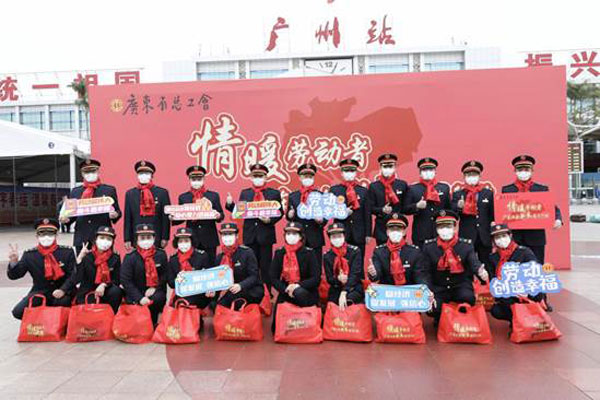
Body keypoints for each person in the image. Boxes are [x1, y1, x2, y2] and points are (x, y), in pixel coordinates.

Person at [421, 210, 489, 325]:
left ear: (454, 228)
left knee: (468, 298)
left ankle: (461, 319)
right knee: (432, 307)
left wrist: (480, 271)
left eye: (448, 227)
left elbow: (474, 263)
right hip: (439, 286)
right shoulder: (429, 247)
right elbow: (425, 271)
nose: (445, 230)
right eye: (441, 227)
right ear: (437, 229)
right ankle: (439, 318)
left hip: (460, 285)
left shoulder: (466, 245)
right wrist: (427, 290)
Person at [225, 163, 283, 291]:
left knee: (266, 266)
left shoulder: (273, 194)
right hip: (250, 235)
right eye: (255, 176)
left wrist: (269, 220)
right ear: (251, 178)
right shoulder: (245, 193)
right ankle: (252, 291)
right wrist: (230, 204)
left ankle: (267, 292)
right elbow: (239, 211)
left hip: (266, 235)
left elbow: (280, 212)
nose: (258, 179)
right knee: (250, 266)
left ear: (265, 177)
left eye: (260, 176)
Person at [7, 218, 75, 320]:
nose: (46, 237)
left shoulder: (67, 252)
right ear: (37, 236)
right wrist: (13, 262)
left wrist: (63, 290)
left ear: (56, 235)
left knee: (62, 303)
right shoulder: (30, 254)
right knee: (18, 312)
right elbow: (15, 275)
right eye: (42, 234)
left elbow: (73, 275)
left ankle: (59, 323)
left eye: (50, 234)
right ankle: (42, 322)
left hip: (63, 291)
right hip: (40, 291)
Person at [501, 155, 563, 264]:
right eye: (520, 170)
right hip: (515, 237)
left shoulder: (541, 189)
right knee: (515, 266)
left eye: (526, 169)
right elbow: (502, 209)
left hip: (536, 237)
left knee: (536, 266)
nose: (523, 172)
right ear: (515, 171)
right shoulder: (507, 190)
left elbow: (553, 208)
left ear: (532, 171)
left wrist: (558, 219)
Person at [488, 223, 545, 325]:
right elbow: (494, 279)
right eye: (497, 237)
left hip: (528, 291)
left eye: (504, 236)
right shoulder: (493, 257)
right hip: (508, 293)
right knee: (496, 310)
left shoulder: (524, 252)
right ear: (493, 241)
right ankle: (516, 322)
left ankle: (527, 319)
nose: (501, 240)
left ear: (510, 236)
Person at [270, 222, 321, 332]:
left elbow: (316, 278)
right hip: (286, 290)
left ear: (301, 236)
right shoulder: (280, 253)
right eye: (288, 234)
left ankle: (306, 323)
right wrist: (285, 289)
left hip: (306, 291)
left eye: (294, 234)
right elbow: (273, 277)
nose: (291, 236)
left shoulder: (309, 253)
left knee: (299, 293)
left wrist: (297, 286)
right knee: (276, 329)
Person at [61, 159, 121, 252]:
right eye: (87, 172)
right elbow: (72, 215)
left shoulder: (108, 190)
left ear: (98, 172)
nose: (90, 174)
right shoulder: (75, 192)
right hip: (82, 236)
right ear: (82, 174)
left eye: (93, 171)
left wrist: (115, 215)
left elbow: (117, 211)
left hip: (103, 236)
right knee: (81, 261)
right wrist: (66, 220)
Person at [174, 165, 224, 266]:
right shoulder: (184, 197)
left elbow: (221, 215)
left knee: (210, 266)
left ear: (203, 179)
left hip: (209, 237)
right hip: (191, 237)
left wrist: (218, 215)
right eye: (194, 179)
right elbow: (180, 218)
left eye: (199, 179)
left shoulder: (213, 196)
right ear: (189, 180)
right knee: (193, 266)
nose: (196, 182)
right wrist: (173, 218)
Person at [451, 160, 495, 274]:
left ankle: (488, 284)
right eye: (469, 175)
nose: (472, 177)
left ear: (479, 176)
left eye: (474, 175)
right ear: (464, 177)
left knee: (487, 265)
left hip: (484, 236)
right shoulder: (458, 194)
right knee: (466, 266)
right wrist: (459, 207)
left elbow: (492, 215)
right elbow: (452, 215)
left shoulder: (488, 193)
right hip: (467, 235)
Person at [121, 224, 168, 325]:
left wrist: (154, 288)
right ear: (137, 239)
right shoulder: (130, 257)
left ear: (154, 238)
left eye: (148, 237)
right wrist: (140, 298)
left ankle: (153, 322)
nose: (146, 240)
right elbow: (126, 281)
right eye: (142, 238)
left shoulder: (161, 255)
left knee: (158, 298)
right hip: (135, 293)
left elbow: (164, 275)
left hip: (153, 291)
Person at [367, 214, 428, 287]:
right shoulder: (379, 252)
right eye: (392, 229)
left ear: (404, 232)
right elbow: (376, 275)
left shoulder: (414, 252)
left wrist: (424, 289)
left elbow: (419, 277)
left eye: (398, 229)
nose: (395, 232)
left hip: (408, 291)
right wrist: (373, 273)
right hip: (387, 291)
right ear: (387, 232)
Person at [73, 226, 123, 314]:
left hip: (106, 290)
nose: (105, 241)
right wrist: (80, 258)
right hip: (89, 291)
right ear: (96, 239)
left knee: (116, 291)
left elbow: (117, 279)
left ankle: (111, 316)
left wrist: (104, 285)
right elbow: (77, 278)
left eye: (108, 239)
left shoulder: (115, 257)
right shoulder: (87, 256)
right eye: (102, 238)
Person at [214, 223, 264, 309]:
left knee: (233, 301)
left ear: (236, 236)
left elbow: (254, 276)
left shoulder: (247, 252)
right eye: (224, 235)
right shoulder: (220, 257)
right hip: (229, 290)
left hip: (248, 289)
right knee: (215, 304)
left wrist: (240, 285)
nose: (227, 237)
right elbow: (217, 279)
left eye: (230, 234)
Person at [124, 160, 171, 251]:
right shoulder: (130, 194)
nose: (143, 176)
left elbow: (165, 218)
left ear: (151, 175)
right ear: (137, 175)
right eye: (141, 173)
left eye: (146, 173)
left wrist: (165, 237)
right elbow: (128, 218)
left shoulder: (162, 193)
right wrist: (127, 238)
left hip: (156, 235)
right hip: (136, 235)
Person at [404, 157, 451, 248]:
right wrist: (416, 206)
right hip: (421, 233)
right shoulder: (413, 189)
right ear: (420, 173)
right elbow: (405, 209)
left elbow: (450, 209)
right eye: (424, 170)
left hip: (441, 232)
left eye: (430, 170)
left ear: (435, 172)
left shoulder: (444, 188)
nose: (427, 172)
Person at [330, 158, 371, 259]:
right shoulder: (335, 190)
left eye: (352, 171)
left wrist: (368, 234)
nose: (349, 173)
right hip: (341, 233)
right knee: (342, 261)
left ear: (356, 173)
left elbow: (367, 214)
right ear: (342, 173)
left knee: (359, 261)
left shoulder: (363, 191)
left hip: (359, 233)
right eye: (346, 171)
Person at [286, 163, 326, 266]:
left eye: (310, 176)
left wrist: (321, 220)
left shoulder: (321, 195)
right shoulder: (293, 196)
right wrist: (290, 215)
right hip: (298, 237)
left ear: (313, 178)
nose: (308, 178)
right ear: (300, 178)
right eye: (305, 176)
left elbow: (325, 216)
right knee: (299, 266)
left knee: (316, 266)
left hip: (315, 236)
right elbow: (289, 216)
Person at [167, 227, 212, 310]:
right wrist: (178, 280)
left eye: (186, 241)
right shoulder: (173, 259)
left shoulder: (202, 256)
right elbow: (170, 283)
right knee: (181, 301)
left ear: (192, 242)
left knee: (187, 301)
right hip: (181, 292)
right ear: (177, 243)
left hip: (199, 293)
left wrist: (192, 277)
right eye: (180, 241)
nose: (183, 244)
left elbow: (209, 278)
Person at [368, 153, 408, 245]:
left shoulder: (402, 185)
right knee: (381, 252)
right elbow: (370, 208)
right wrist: (381, 210)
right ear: (380, 168)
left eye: (390, 166)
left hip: (398, 226)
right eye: (385, 166)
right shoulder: (374, 186)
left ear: (395, 167)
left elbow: (406, 207)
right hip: (381, 227)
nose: (387, 169)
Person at [323, 223, 364, 309]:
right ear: (330, 239)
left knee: (348, 301)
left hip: (353, 287)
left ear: (344, 236)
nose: (337, 239)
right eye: (334, 237)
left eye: (339, 236)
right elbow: (329, 278)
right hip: (336, 287)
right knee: (332, 306)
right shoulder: (327, 255)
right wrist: (338, 279)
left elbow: (355, 275)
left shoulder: (354, 251)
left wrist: (344, 291)